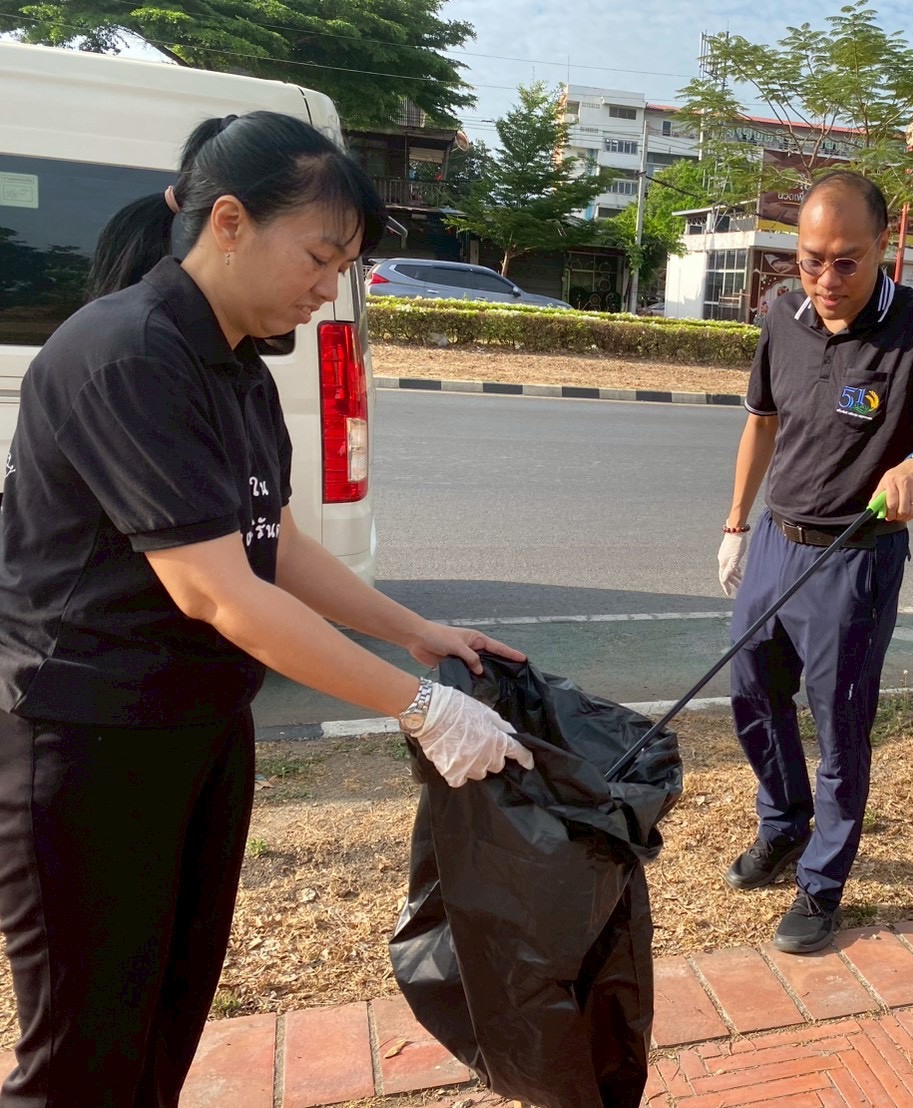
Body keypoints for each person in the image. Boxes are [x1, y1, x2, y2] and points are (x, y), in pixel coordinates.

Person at [0, 111, 532, 1108]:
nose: (329, 288)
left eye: (345, 267)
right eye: (321, 257)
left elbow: (271, 541)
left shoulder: (237, 362)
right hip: (87, 740)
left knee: (165, 1016)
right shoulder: (129, 352)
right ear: (230, 221)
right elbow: (214, 589)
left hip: (197, 726)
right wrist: (418, 705)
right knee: (80, 1050)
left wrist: (413, 631)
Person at [716, 171, 913, 954]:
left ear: (884, 246)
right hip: (775, 544)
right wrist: (736, 525)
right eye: (810, 259)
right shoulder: (783, 317)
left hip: (854, 561)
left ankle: (821, 885)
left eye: (845, 261)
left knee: (838, 724)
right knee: (751, 695)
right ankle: (783, 824)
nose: (824, 278)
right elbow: (761, 422)